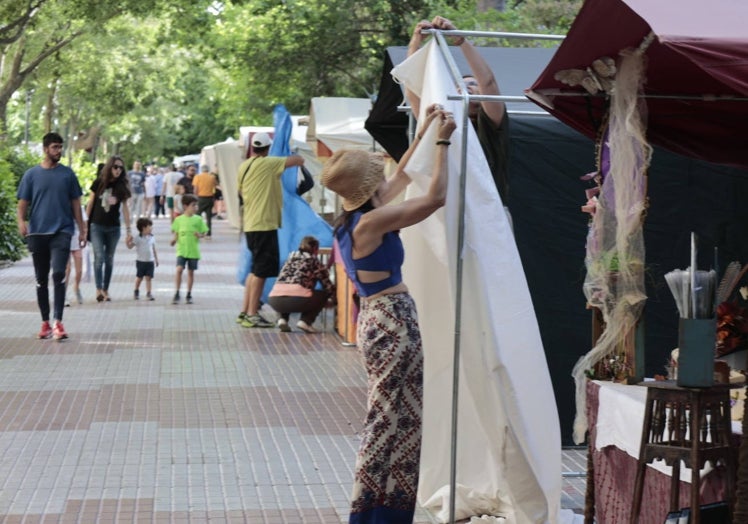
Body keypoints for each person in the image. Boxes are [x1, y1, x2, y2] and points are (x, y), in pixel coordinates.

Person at [321, 106, 455, 523]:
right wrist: (444, 142)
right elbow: (434, 197)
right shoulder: (372, 222)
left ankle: (385, 511)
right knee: (389, 421)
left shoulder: (354, 221)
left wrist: (428, 127)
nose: (386, 175)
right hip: (392, 322)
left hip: (382, 319)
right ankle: (369, 514)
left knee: (397, 417)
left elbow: (402, 175)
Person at [407, 15, 510, 203]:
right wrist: (415, 42)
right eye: (460, 87)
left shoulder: (490, 126)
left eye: (472, 84)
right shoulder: (442, 123)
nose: (465, 88)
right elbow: (413, 90)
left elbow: (487, 82)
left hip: (488, 213)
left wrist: (459, 38)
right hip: (446, 208)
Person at [16, 132, 86, 340]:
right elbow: (23, 202)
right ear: (46, 149)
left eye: (60, 147)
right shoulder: (31, 175)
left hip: (62, 230)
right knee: (41, 279)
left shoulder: (68, 174)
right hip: (38, 231)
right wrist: (21, 221)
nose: (59, 151)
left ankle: (58, 322)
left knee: (58, 273)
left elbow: (76, 203)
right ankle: (45, 322)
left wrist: (82, 229)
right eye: (55, 147)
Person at [236, 132, 305, 328]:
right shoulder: (269, 164)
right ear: (268, 148)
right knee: (261, 272)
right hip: (264, 224)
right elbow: (298, 160)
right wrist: (289, 152)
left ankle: (245, 311)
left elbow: (241, 192)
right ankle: (252, 314)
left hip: (250, 224)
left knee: (254, 270)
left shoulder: (244, 166)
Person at [86, 155, 133, 302]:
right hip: (96, 225)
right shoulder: (99, 183)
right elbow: (90, 203)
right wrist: (84, 225)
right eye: (115, 167)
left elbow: (125, 209)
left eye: (120, 168)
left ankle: (106, 289)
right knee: (99, 257)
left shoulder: (122, 187)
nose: (118, 170)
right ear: (109, 167)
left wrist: (129, 230)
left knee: (109, 259)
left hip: (113, 228)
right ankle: (98, 289)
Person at [267, 236, 335, 333]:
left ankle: (282, 319)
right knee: (322, 295)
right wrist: (334, 299)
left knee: (285, 290)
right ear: (315, 249)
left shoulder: (289, 260)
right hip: (298, 300)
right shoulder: (313, 261)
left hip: (274, 301)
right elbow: (327, 285)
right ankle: (305, 321)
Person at [170, 194, 208, 305]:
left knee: (191, 272)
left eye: (196, 205)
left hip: (193, 251)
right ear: (185, 206)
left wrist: (200, 235)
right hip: (181, 250)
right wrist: (174, 240)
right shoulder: (178, 220)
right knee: (179, 270)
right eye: (193, 205)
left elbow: (204, 232)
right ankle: (176, 292)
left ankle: (189, 294)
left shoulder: (198, 219)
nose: (196, 208)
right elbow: (177, 232)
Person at [127, 217, 159, 300]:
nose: (151, 228)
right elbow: (130, 247)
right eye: (150, 226)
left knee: (149, 278)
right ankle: (136, 290)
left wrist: (156, 259)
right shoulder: (137, 238)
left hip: (150, 261)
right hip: (141, 262)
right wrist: (127, 242)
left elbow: (154, 249)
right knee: (139, 277)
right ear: (143, 228)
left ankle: (149, 293)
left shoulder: (152, 237)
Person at [64, 203, 88, 306]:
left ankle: (76, 287)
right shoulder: (61, 205)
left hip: (77, 240)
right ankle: (63, 294)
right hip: (64, 239)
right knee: (66, 269)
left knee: (79, 270)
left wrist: (84, 234)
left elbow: (84, 223)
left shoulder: (79, 207)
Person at [192, 164, 218, 236]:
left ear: (202, 169)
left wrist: (195, 197)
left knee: (198, 215)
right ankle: (209, 232)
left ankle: (200, 230)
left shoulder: (197, 177)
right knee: (209, 216)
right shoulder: (212, 177)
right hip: (210, 198)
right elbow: (215, 185)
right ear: (208, 170)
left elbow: (195, 189)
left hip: (201, 198)